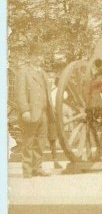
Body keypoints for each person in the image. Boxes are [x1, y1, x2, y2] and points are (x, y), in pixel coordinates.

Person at [14, 41, 55, 178]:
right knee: (29, 141)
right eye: (36, 55)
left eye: (41, 56)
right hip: (30, 113)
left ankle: (37, 168)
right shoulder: (23, 72)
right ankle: (27, 170)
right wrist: (25, 110)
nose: (39, 58)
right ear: (30, 56)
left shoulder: (43, 73)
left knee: (41, 141)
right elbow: (20, 93)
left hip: (43, 112)